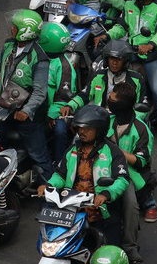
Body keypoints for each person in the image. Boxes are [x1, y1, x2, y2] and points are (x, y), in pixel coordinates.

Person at [91, 0, 157, 153]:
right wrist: (106, 36)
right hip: (130, 53)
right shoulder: (129, 4)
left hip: (153, 56)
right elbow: (121, 27)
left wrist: (151, 45)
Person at [0, 9, 53, 181]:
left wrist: (27, 111)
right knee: (0, 145)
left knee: (38, 154)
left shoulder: (39, 58)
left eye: (14, 27)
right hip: (6, 107)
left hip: (29, 116)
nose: (11, 29)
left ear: (25, 31)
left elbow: (39, 91)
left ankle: (49, 188)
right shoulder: (9, 45)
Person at [39, 105, 130, 246]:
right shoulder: (72, 150)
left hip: (102, 212)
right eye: (79, 128)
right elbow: (60, 175)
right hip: (72, 210)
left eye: (87, 128)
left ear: (99, 130)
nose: (81, 132)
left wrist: (106, 194)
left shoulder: (113, 152)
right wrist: (49, 185)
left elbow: (122, 179)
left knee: (110, 251)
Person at [108, 81, 157, 261]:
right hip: (102, 169)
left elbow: (142, 161)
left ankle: (130, 246)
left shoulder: (141, 129)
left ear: (122, 105)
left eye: (113, 98)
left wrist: (116, 150)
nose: (109, 100)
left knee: (131, 205)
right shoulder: (106, 121)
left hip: (127, 174)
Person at [38, 22, 84, 163]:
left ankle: (59, 164)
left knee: (60, 131)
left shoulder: (64, 66)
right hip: (38, 107)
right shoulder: (39, 57)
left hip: (57, 110)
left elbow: (64, 97)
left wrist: (52, 115)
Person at [87, 39, 145, 108]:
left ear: (125, 61)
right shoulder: (98, 76)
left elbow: (141, 107)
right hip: (100, 116)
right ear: (106, 60)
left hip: (126, 118)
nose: (114, 63)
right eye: (112, 58)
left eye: (119, 59)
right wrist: (71, 106)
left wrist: (132, 118)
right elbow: (84, 95)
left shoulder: (137, 79)